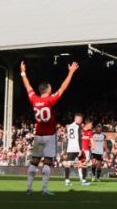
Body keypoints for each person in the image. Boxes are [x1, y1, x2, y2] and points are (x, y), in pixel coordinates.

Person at [20, 60, 79, 196]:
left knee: (34, 161)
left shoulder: (34, 99)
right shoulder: (50, 100)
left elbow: (27, 86)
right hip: (50, 135)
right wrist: (71, 72)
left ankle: (29, 188)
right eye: (51, 87)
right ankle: (44, 189)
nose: (52, 88)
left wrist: (23, 72)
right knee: (47, 161)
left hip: (39, 135)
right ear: (47, 89)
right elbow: (63, 87)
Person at [63, 113, 88, 187]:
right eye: (80, 119)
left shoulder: (69, 126)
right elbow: (79, 139)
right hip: (77, 148)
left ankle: (67, 180)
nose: (80, 121)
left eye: (81, 119)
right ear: (76, 119)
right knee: (84, 163)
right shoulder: (78, 127)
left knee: (68, 164)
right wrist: (80, 149)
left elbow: (69, 137)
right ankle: (83, 181)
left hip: (70, 147)